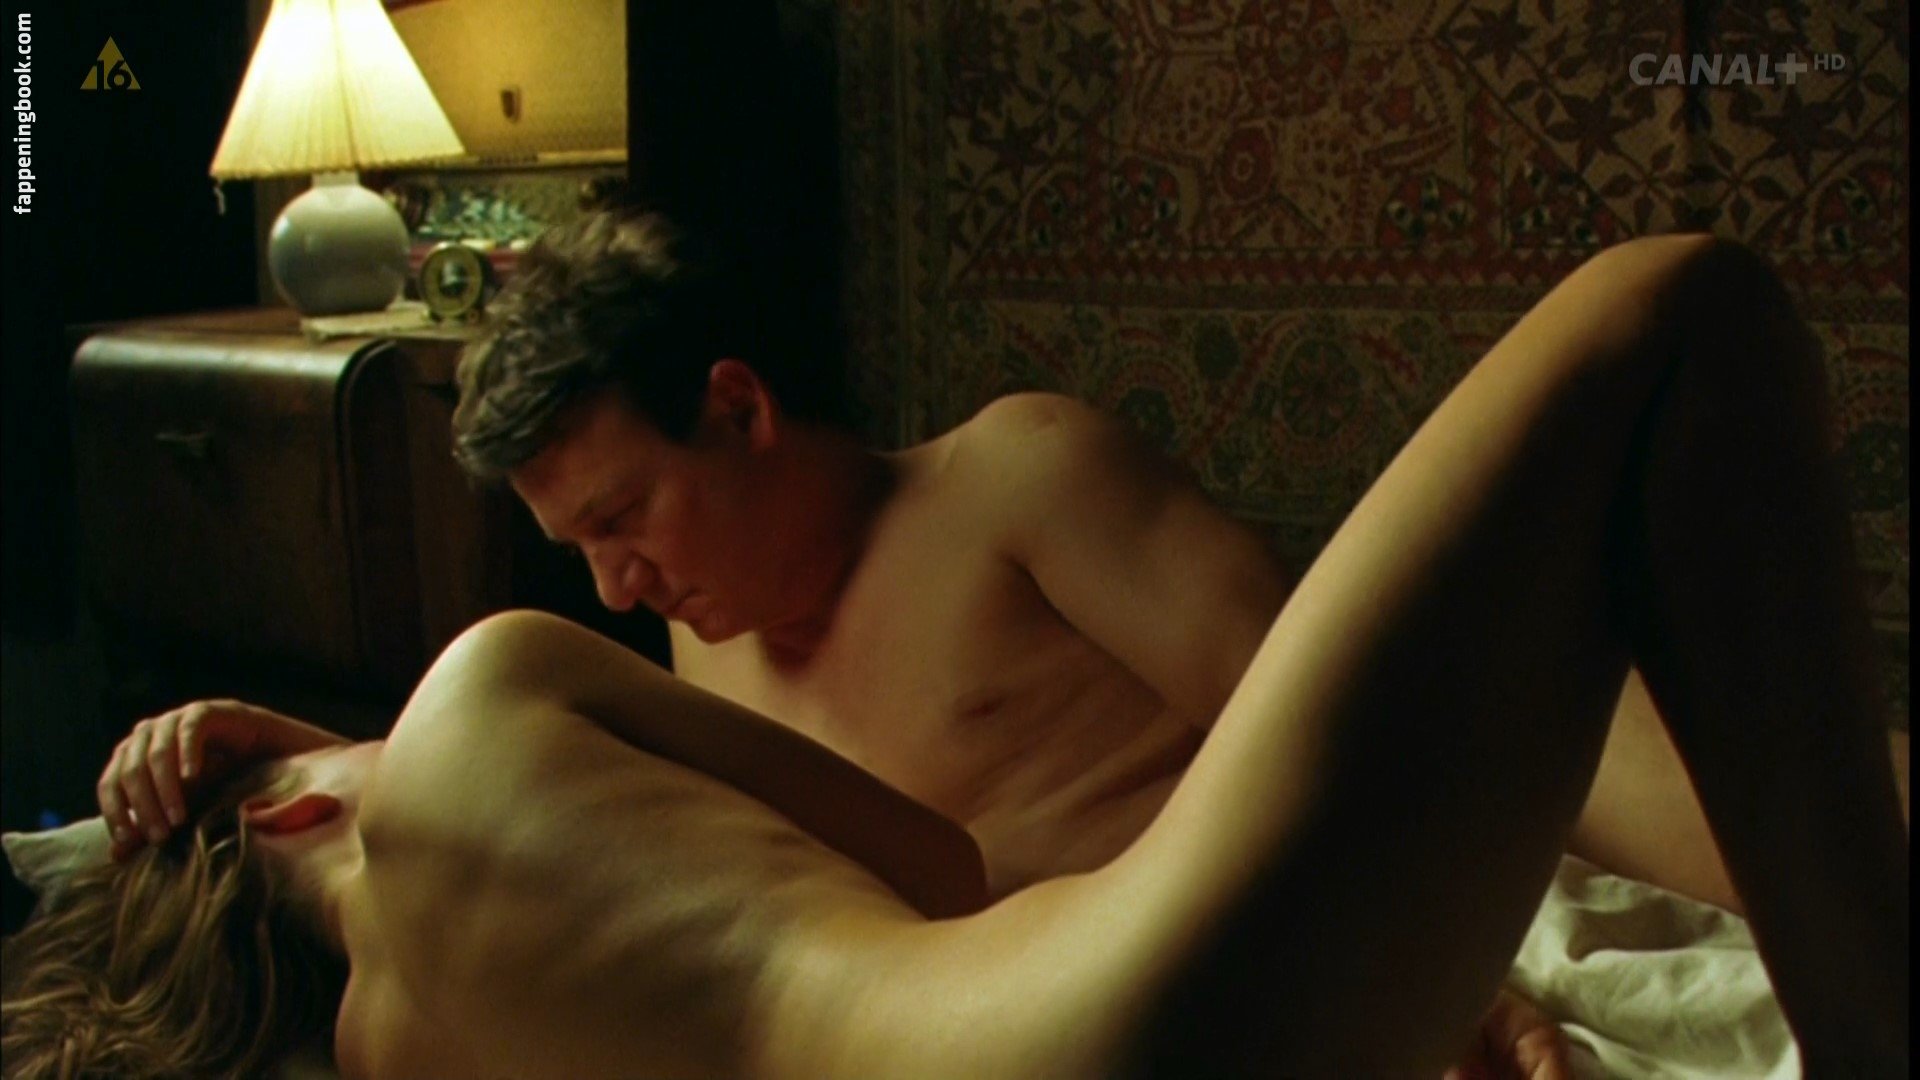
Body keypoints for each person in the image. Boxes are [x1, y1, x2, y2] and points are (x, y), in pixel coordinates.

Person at [8, 233, 1905, 1077]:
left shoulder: (1007, 479)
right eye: (575, 553)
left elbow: (1338, 709)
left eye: (625, 515)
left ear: (740, 406)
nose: (617, 583)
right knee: (1684, 313)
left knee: (1662, 701)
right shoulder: (614, 683)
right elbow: (889, 869)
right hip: (1130, 997)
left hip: (1273, 900)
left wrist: (1460, 966)